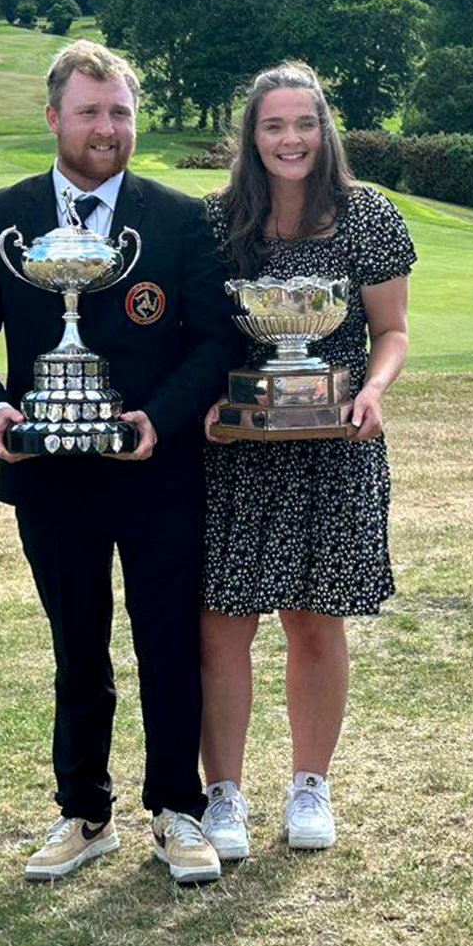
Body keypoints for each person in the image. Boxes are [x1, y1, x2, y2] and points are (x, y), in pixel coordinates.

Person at [0, 39, 242, 885]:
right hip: (51, 474)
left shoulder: (181, 219)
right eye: (89, 111)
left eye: (120, 112)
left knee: (168, 644)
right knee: (79, 649)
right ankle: (84, 813)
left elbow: (213, 342)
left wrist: (161, 419)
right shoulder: (3, 215)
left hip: (159, 472)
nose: (106, 128)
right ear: (53, 119)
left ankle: (177, 811)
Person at [198, 61, 415, 859]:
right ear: (250, 137)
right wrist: (209, 413)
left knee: (316, 624)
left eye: (304, 123)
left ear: (326, 130)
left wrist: (374, 390)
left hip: (336, 443)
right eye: (273, 125)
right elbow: (195, 341)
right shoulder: (217, 224)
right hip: (238, 452)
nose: (290, 138)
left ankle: (309, 787)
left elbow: (390, 332)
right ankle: (223, 798)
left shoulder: (368, 216)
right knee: (223, 628)